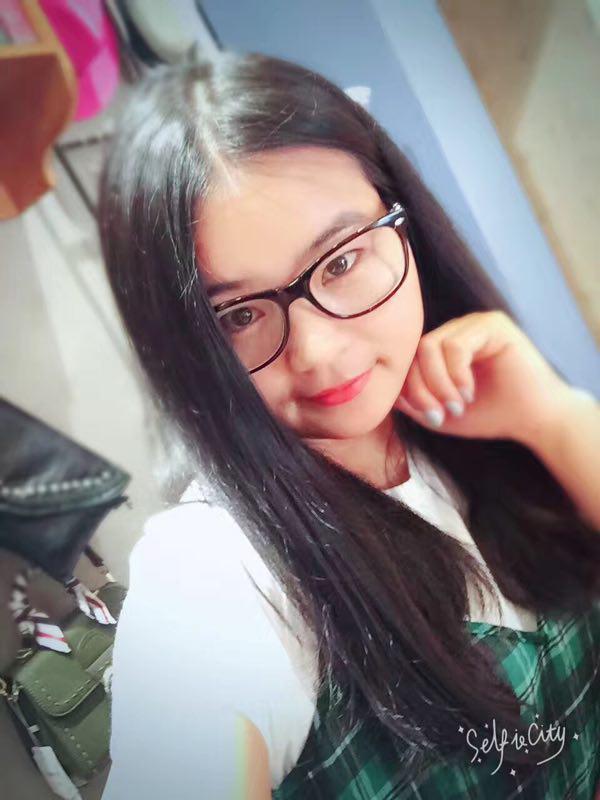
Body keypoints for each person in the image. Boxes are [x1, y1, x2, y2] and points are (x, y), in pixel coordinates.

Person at [97, 52, 600, 799]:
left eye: (340, 261)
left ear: (402, 220)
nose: (319, 352)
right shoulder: (213, 574)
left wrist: (555, 419)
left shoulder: (479, 418)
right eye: (237, 316)